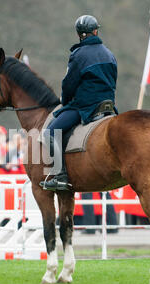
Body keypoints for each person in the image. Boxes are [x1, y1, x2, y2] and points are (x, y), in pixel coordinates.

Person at [40, 15, 118, 191]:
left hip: (85, 106)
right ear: (96, 31)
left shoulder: (78, 55)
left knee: (50, 133)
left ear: (79, 34)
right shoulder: (109, 53)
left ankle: (60, 176)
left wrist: (65, 102)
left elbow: (69, 84)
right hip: (108, 105)